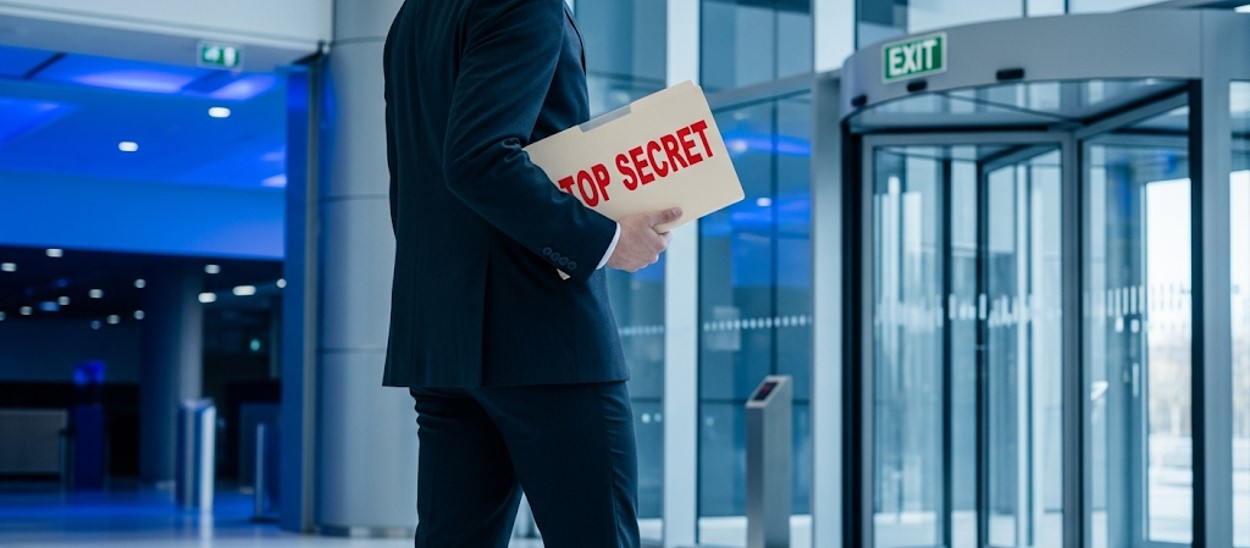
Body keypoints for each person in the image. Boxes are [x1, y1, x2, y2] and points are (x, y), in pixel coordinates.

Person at [382, 1, 681, 546]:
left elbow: (414, 175)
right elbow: (478, 159)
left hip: (445, 335)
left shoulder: (415, 14)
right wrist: (608, 238)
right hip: (542, 332)